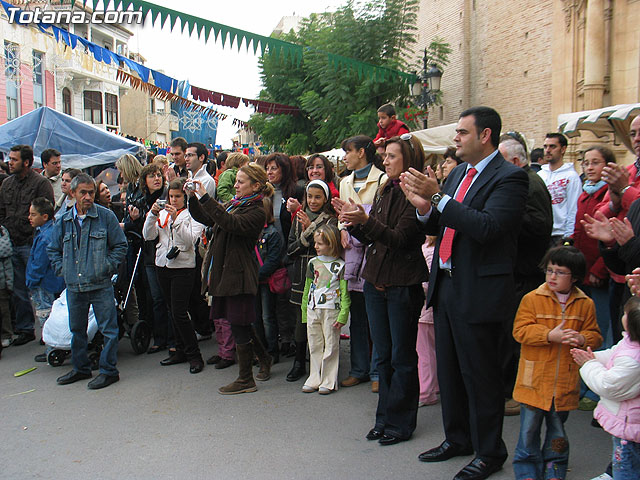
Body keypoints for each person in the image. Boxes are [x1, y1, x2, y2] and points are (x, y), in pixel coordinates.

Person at [401, 107, 528, 479]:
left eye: (462, 132)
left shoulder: (511, 178)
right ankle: (457, 438)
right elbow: (442, 220)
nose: (455, 138)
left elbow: (487, 227)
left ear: (485, 135)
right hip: (447, 285)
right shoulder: (458, 173)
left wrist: (438, 198)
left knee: (481, 375)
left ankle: (490, 452)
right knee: (450, 370)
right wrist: (426, 208)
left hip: (480, 289)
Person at [342, 133, 428, 446]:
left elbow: (401, 238)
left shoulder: (414, 192)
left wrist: (367, 221)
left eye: (392, 156)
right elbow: (373, 237)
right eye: (386, 156)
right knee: (383, 357)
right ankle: (384, 419)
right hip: (375, 282)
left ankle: (401, 422)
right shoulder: (383, 188)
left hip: (402, 284)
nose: (386, 161)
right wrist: (356, 223)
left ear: (408, 160)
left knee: (401, 357)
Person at [512, 246, 602, 480]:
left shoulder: (585, 304)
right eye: (549, 270)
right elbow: (520, 331)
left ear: (574, 277)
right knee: (528, 430)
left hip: (564, 383)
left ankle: (555, 464)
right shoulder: (532, 299)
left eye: (560, 272)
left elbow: (595, 335)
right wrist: (548, 335)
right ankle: (526, 467)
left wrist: (583, 339)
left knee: (557, 430)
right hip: (533, 382)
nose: (552, 276)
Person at [188, 163, 274, 394]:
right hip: (226, 272)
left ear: (256, 186)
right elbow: (208, 218)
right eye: (236, 180)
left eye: (240, 182)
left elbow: (229, 223)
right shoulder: (236, 204)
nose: (235, 185)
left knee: (239, 324)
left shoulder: (256, 210)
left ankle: (246, 379)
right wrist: (193, 198)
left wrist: (206, 198)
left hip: (239, 275)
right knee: (240, 322)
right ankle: (264, 358)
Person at [47, 173, 127, 389]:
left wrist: (106, 266)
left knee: (108, 330)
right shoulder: (64, 220)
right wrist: (63, 269)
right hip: (75, 285)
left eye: (91, 192)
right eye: (83, 192)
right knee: (77, 330)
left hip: (100, 284)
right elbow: (53, 248)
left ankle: (109, 371)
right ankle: (80, 368)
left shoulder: (105, 216)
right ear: (73, 193)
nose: (88, 197)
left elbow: (121, 246)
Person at [498, 134, 553, 415]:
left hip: (526, 271)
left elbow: (541, 226)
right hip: (516, 270)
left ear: (516, 162)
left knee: (516, 335)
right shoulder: (521, 182)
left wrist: (508, 212)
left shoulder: (529, 184)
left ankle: (516, 394)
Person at [332, 135, 386, 392]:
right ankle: (358, 369)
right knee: (356, 313)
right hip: (351, 250)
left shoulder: (383, 179)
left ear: (362, 152)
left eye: (348, 152)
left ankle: (378, 372)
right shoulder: (344, 182)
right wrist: (342, 227)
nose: (345, 157)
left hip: (375, 249)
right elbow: (342, 215)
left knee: (376, 315)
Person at [572, 296, 640, 480]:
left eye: (625, 314)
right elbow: (615, 355)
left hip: (630, 426)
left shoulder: (634, 360)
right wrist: (594, 358)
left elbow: (608, 385)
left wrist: (588, 365)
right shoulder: (631, 344)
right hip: (632, 424)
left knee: (626, 470)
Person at [143, 178, 205, 374]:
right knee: (172, 310)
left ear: (184, 197)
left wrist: (176, 220)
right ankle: (180, 350)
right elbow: (148, 236)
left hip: (184, 267)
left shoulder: (192, 215)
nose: (174, 200)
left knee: (179, 311)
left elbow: (189, 242)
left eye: (178, 196)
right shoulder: (162, 213)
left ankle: (194, 355)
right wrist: (152, 215)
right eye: (171, 196)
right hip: (163, 264)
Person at [0, 145, 55, 346]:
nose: (9, 162)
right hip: (11, 242)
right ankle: (25, 328)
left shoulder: (40, 183)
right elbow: (1, 210)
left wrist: (37, 237)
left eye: (14, 159)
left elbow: (47, 213)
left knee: (41, 289)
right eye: (9, 159)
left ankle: (48, 330)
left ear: (26, 162)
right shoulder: (7, 184)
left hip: (33, 243)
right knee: (18, 288)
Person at [286, 179, 338, 382]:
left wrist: (310, 229)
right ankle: (299, 361)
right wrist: (306, 236)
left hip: (323, 277)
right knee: (301, 320)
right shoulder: (298, 218)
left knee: (322, 321)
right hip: (301, 275)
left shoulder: (331, 220)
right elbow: (291, 249)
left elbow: (329, 246)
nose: (313, 201)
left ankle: (323, 364)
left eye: (318, 197)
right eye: (310, 196)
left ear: (326, 198)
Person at [301, 225, 350, 394]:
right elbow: (307, 287)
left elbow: (344, 292)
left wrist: (343, 314)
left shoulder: (340, 265)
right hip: (313, 308)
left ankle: (328, 380)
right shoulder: (312, 263)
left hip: (331, 309)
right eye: (315, 243)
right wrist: (304, 310)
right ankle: (314, 377)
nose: (316, 247)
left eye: (320, 244)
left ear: (331, 244)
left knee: (331, 345)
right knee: (314, 343)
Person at [266, 153, 304, 357]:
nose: (270, 172)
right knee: (274, 301)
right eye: (268, 168)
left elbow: (304, 220)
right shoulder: (265, 193)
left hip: (290, 254)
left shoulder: (296, 191)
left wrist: (296, 210)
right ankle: (280, 339)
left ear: (285, 170)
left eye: (274, 168)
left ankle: (292, 341)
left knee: (289, 299)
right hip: (270, 255)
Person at [138, 164, 171, 354]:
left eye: (158, 175)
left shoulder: (167, 198)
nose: (156, 179)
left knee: (167, 299)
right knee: (156, 298)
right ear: (145, 181)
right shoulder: (143, 201)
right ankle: (160, 338)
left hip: (166, 254)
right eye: (152, 176)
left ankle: (172, 338)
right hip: (149, 255)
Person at [26, 198, 65, 362]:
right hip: (50, 282)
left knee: (46, 315)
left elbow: (39, 265)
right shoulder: (47, 232)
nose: (30, 217)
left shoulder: (45, 237)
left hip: (44, 284)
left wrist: (30, 280)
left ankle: (51, 348)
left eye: (33, 214)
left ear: (45, 216)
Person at [254, 195, 285, 364]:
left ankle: (272, 351)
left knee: (268, 318)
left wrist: (256, 275)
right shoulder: (251, 231)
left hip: (266, 282)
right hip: (254, 282)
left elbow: (273, 260)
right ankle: (261, 350)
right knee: (256, 318)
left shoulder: (272, 233)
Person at [538, 133, 582, 244]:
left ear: (563, 149)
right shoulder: (540, 175)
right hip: (541, 233)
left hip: (560, 235)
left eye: (552, 146)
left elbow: (574, 208)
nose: (548, 150)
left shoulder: (571, 177)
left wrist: (569, 236)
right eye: (545, 146)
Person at [417, 235, 439, 407]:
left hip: (425, 309)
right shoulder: (428, 248)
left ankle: (425, 391)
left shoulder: (429, 251)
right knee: (431, 350)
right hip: (427, 310)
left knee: (424, 353)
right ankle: (434, 385)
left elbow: (427, 283)